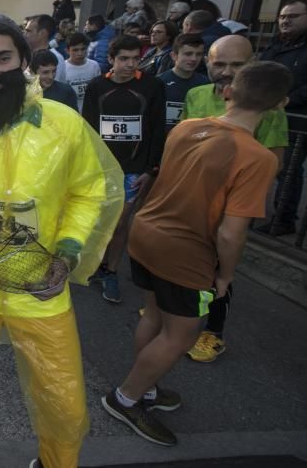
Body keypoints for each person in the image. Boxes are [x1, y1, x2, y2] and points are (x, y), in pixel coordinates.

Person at [0, 13, 123, 468]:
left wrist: (69, 250)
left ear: (25, 60)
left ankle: (58, 460)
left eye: (2, 58)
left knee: (63, 394)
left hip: (39, 284)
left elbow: (89, 190)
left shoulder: (63, 124)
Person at [102, 62, 291, 447]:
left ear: (227, 91)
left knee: (154, 316)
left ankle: (147, 388)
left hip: (145, 232)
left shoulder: (188, 127)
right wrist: (224, 277)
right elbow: (231, 231)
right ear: (280, 104)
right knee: (182, 333)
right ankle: (126, 398)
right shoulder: (258, 157)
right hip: (185, 250)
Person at [181, 35, 288, 363]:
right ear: (208, 63)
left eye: (237, 65)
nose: (227, 72)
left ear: (251, 65)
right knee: (184, 261)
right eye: (220, 63)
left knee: (220, 268)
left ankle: (213, 331)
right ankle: (175, 311)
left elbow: (275, 161)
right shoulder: (195, 94)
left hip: (229, 208)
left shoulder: (267, 107)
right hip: (189, 202)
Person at [82, 35, 166, 304]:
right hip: (101, 168)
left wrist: (151, 169)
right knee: (99, 220)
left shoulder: (153, 86)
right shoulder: (96, 86)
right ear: (111, 59)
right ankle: (93, 265)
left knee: (120, 222)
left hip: (134, 168)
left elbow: (156, 129)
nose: (130, 64)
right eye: (124, 59)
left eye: (135, 59)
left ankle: (111, 270)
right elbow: (89, 129)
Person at [258, 0, 307, 236]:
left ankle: (283, 219)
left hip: (294, 117)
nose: (286, 21)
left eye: (293, 16)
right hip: (266, 113)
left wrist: (286, 100)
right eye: (283, 17)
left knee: (288, 169)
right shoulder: (276, 43)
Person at [157, 33, 208, 134]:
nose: (194, 59)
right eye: (188, 54)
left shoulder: (206, 84)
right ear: (174, 55)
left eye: (198, 54)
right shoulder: (159, 82)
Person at [63, 32, 101, 112]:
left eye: (83, 49)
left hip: (90, 112)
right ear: (67, 51)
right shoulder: (62, 67)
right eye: (75, 50)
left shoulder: (94, 66)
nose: (80, 53)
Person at [23, 15, 67, 83]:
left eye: (28, 31)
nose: (24, 34)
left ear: (42, 33)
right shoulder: (24, 55)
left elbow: (49, 88)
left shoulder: (56, 58)